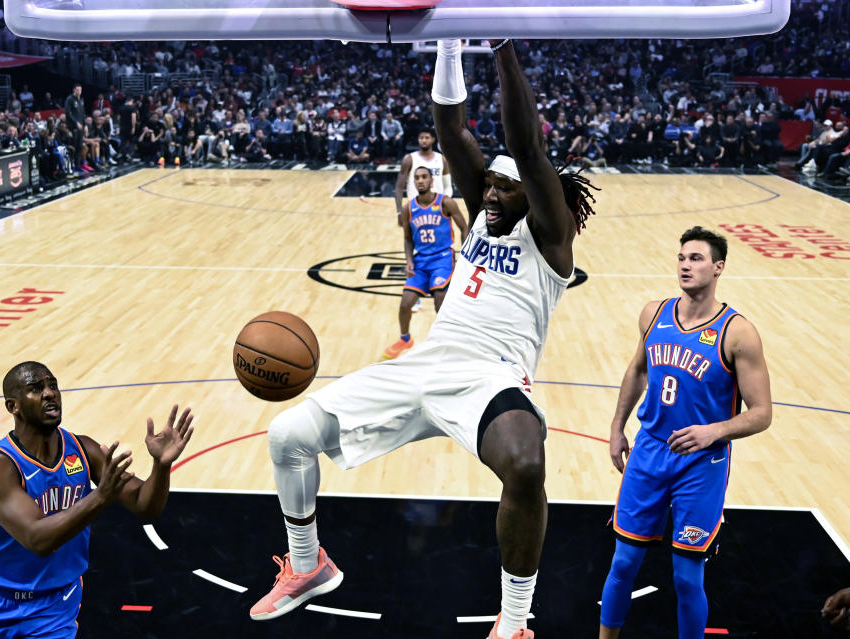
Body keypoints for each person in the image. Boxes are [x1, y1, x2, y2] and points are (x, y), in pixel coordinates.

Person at [248, 39, 598, 639]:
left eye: (502, 189)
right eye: (485, 185)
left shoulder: (551, 239)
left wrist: (504, 44)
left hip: (490, 379)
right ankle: (307, 565)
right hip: (428, 364)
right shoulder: (485, 213)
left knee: (525, 462)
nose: (487, 194)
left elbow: (527, 148)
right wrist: (450, 42)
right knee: (289, 435)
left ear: (535, 198)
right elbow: (451, 125)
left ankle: (513, 623)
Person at [598, 227, 772, 639]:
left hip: (701, 464)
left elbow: (762, 413)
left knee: (687, 577)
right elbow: (638, 369)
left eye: (695, 258)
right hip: (649, 452)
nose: (685, 265)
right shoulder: (653, 314)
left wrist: (714, 431)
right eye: (681, 258)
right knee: (623, 563)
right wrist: (617, 427)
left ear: (718, 267)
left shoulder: (738, 333)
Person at [0, 361, 194, 639]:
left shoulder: (82, 449)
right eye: (36, 389)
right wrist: (100, 496)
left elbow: (146, 506)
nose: (50, 393)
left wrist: (161, 466)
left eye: (53, 385)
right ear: (13, 406)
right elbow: (38, 540)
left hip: (55, 605)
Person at [382, 166, 467, 360]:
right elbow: (407, 238)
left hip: (442, 258)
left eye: (424, 177)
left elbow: (464, 227)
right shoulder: (408, 209)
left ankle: (449, 342)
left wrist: (466, 255)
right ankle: (405, 339)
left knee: (440, 300)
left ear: (431, 181)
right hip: (421, 261)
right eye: (417, 178)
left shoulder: (445, 202)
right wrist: (409, 260)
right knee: (405, 304)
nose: (420, 181)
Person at [394, 127, 450, 227]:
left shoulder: (442, 159)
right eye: (421, 138)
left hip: (437, 208)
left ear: (433, 139)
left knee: (440, 240)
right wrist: (399, 212)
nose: (423, 140)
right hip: (415, 208)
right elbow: (399, 187)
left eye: (427, 137)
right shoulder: (409, 159)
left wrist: (446, 204)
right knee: (413, 240)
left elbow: (448, 186)